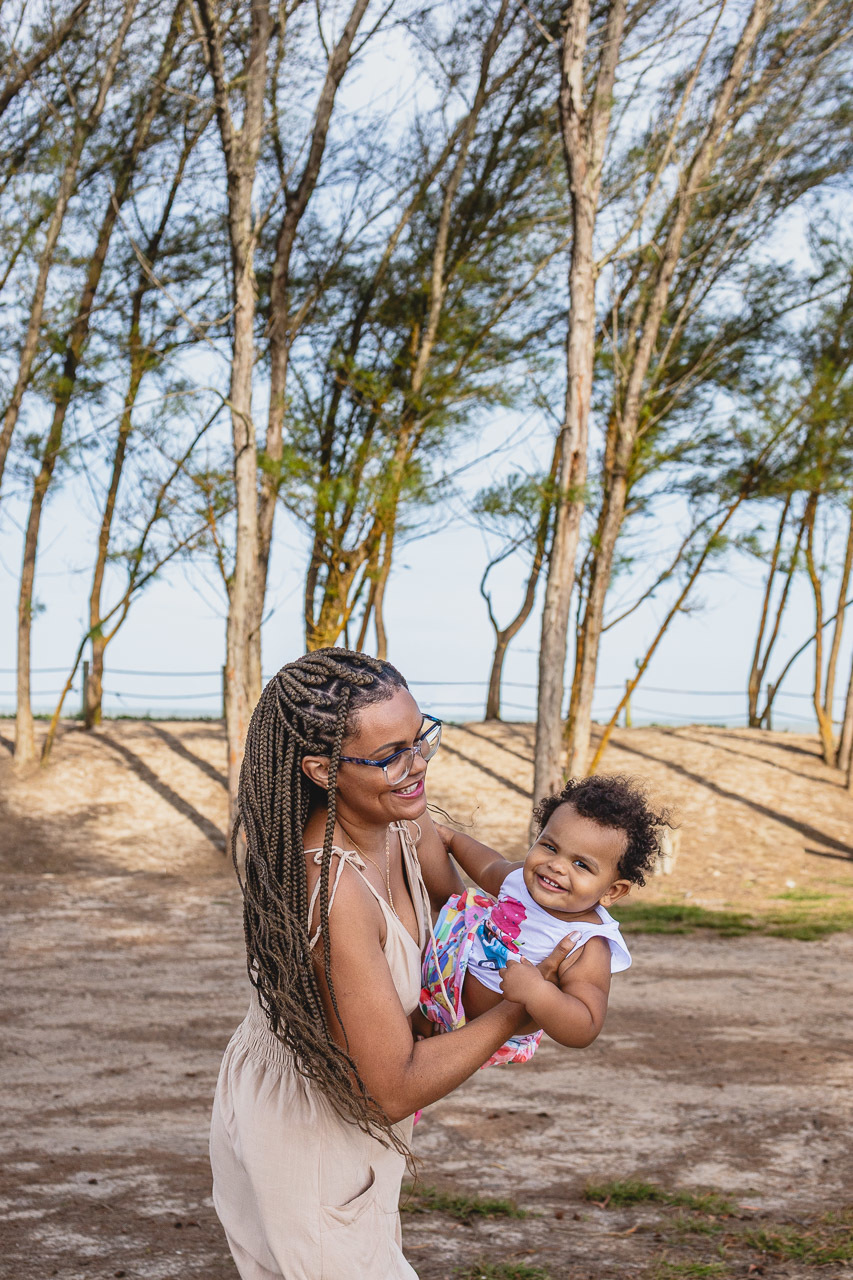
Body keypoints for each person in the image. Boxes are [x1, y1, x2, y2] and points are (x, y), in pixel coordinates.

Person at [209, 649, 578, 1280]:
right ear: (323, 770)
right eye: (389, 756)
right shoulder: (332, 889)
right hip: (309, 1128)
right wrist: (521, 1009)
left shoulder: (404, 824)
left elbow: (454, 946)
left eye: (420, 738)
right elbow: (390, 1088)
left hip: (356, 1124)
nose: (418, 766)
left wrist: (551, 929)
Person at [419, 775, 669, 1067]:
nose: (556, 866)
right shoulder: (519, 881)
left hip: (488, 1034)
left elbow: (585, 1026)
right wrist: (451, 839)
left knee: (426, 1062)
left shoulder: (586, 942)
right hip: (442, 982)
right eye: (550, 846)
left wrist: (538, 992)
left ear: (612, 891)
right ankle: (424, 1024)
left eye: (581, 864)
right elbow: (488, 865)